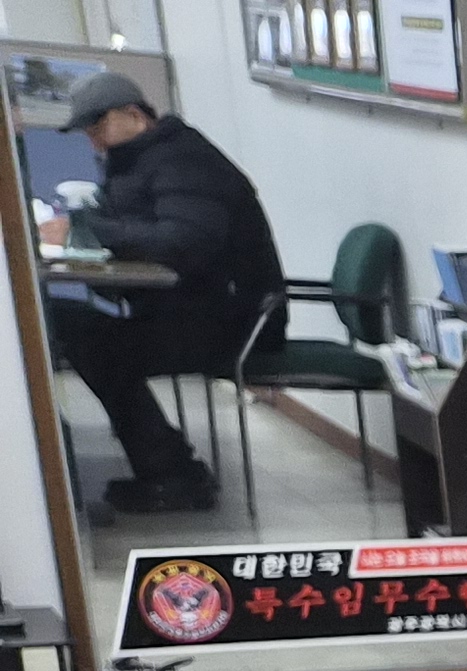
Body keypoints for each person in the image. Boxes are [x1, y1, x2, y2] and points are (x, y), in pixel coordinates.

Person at [33, 73, 282, 516]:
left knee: (96, 342)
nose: (94, 142)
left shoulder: (187, 161)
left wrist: (86, 232)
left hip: (232, 322)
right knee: (69, 323)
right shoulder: (139, 159)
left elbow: (182, 243)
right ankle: (167, 468)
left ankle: (175, 475)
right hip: (191, 311)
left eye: (98, 127)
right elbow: (138, 232)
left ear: (134, 114)